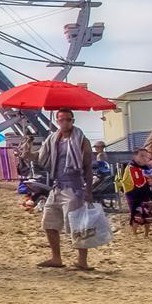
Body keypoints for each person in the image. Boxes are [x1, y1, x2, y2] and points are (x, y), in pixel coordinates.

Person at [37, 109, 98, 270]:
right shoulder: (53, 139)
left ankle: (82, 261)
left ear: (73, 121)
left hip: (74, 186)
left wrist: (89, 191)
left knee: (77, 225)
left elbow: (88, 167)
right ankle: (56, 258)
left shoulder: (81, 140)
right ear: (57, 121)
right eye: (61, 120)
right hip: (57, 186)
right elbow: (42, 158)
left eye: (68, 120)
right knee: (49, 223)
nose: (65, 123)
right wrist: (27, 152)